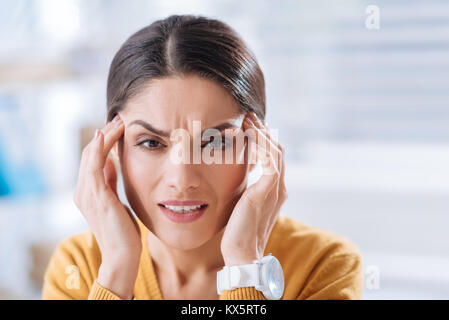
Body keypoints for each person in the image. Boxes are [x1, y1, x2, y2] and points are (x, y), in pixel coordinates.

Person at [42, 15, 363, 300]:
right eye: (152, 143)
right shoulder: (80, 268)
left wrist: (244, 267)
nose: (182, 180)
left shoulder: (322, 265)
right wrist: (115, 274)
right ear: (113, 149)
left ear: (257, 147)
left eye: (214, 142)